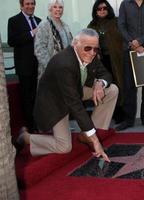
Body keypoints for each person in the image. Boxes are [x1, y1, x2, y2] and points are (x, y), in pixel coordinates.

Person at [16, 28, 119, 161]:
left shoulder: (91, 54)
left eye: (96, 49)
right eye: (88, 48)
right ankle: (26, 138)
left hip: (75, 91)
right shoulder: (64, 63)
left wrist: (100, 83)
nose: (92, 53)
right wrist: (95, 141)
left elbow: (105, 74)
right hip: (56, 102)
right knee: (64, 147)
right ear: (75, 44)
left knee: (111, 90)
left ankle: (86, 134)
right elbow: (74, 103)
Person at [116, 0, 144, 131]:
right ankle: (129, 120)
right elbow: (121, 25)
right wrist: (132, 43)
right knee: (129, 88)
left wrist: (140, 41)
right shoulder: (125, 4)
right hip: (129, 51)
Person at [87, 0, 124, 124]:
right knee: (106, 86)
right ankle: (108, 114)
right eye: (99, 9)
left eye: (104, 8)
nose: (102, 11)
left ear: (108, 9)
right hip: (100, 62)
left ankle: (120, 115)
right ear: (95, 11)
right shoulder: (92, 25)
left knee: (119, 85)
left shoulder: (116, 22)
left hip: (117, 60)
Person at [7, 0, 41, 133]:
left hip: (39, 66)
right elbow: (12, 41)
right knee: (27, 98)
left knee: (39, 96)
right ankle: (31, 128)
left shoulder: (40, 20)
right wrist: (32, 33)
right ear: (21, 5)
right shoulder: (14, 20)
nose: (30, 6)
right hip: (24, 66)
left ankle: (40, 124)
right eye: (27, 4)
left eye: (32, 4)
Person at [34, 0, 73, 80]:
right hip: (50, 71)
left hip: (65, 68)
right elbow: (39, 50)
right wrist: (52, 67)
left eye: (60, 7)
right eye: (55, 7)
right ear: (50, 9)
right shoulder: (44, 25)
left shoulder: (65, 26)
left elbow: (70, 46)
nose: (58, 9)